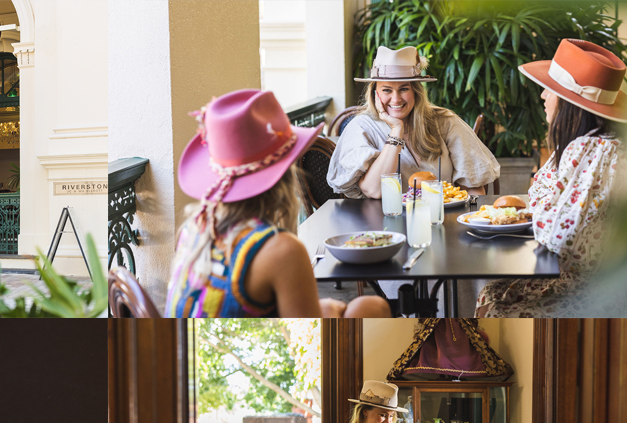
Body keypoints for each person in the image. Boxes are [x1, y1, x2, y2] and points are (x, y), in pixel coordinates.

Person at [476, 39, 627, 317]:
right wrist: (546, 203)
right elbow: (542, 196)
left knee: (496, 304)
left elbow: (556, 235)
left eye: (550, 90)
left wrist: (545, 204)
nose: (543, 95)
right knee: (494, 292)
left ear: (570, 103)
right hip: (610, 274)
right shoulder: (597, 143)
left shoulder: (600, 152)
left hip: (621, 289)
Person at [166, 89, 392, 318]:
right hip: (261, 351)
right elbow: (303, 341)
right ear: (285, 175)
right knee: (371, 308)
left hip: (197, 350)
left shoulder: (194, 228)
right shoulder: (281, 250)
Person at [327, 46, 500, 199]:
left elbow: (474, 187)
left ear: (416, 91)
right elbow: (375, 191)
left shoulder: (445, 122)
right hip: (385, 227)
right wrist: (396, 130)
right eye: (387, 90)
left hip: (441, 221)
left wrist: (465, 222)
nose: (396, 99)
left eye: (404, 89)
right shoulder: (361, 127)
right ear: (375, 94)